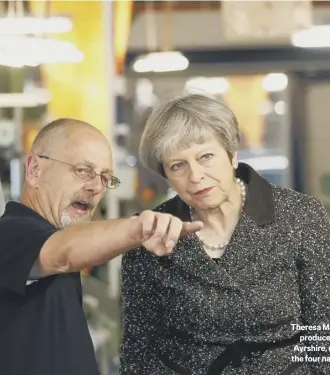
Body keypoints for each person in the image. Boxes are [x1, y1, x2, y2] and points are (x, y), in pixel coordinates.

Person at [120, 94, 330, 375]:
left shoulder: (300, 215)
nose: (195, 176)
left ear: (232, 155)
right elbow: (138, 350)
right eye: (177, 165)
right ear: (166, 176)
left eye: (206, 156)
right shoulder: (150, 233)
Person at [0, 118, 202, 375]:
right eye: (82, 170)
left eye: (105, 178)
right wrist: (138, 227)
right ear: (35, 170)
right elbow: (63, 254)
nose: (96, 187)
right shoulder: (9, 232)